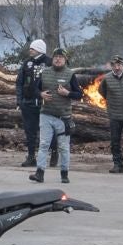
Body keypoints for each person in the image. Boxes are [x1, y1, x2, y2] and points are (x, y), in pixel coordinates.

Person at [28, 47, 75, 185]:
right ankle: (39, 173)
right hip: (46, 114)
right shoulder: (45, 72)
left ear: (65, 59)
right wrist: (41, 94)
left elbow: (79, 94)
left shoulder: (70, 74)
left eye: (60, 57)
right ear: (52, 59)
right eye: (55, 57)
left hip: (63, 117)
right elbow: (33, 89)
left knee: (64, 147)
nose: (58, 59)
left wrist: (68, 93)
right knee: (43, 144)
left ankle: (64, 174)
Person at [14, 38, 49, 168]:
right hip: (28, 103)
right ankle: (31, 157)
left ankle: (53, 152)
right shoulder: (26, 63)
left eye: (32, 48)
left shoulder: (49, 62)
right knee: (30, 131)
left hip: (45, 103)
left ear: (39, 49)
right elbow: (19, 83)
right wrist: (20, 100)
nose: (30, 50)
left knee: (47, 131)